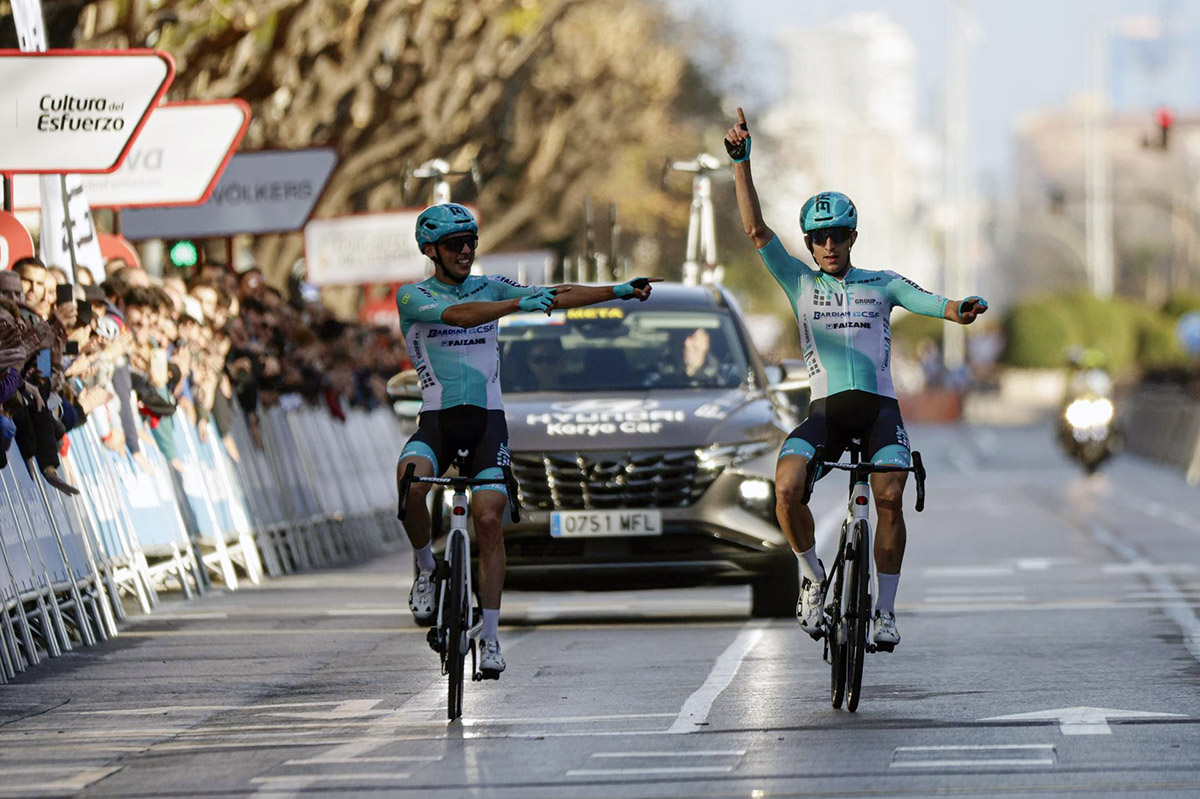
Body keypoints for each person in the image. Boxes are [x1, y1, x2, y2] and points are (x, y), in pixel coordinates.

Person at [725, 108, 988, 650]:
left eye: (838, 235)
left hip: (879, 413)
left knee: (889, 497)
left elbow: (933, 302)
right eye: (818, 237)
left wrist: (960, 308)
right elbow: (754, 229)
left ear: (853, 236)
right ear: (808, 241)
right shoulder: (797, 280)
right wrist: (742, 164)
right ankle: (811, 575)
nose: (828, 245)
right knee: (786, 488)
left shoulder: (882, 282)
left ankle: (886, 613)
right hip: (824, 414)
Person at [396, 202, 658, 676]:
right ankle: (427, 572)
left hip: (487, 423)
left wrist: (616, 290)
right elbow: (460, 317)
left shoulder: (489, 284)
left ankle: (491, 636)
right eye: (455, 244)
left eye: (471, 241)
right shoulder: (412, 296)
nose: (466, 251)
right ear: (430, 250)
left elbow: (555, 295)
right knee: (410, 482)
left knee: (489, 520)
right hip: (436, 420)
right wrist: (518, 304)